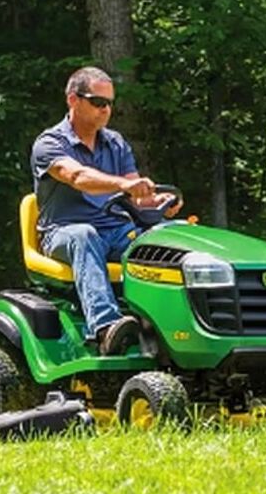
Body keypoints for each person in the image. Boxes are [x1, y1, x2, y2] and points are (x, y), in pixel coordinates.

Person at [30, 66, 182, 355]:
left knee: (171, 238)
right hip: (63, 233)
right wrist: (124, 186)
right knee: (84, 235)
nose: (106, 109)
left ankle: (173, 328)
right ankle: (106, 328)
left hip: (116, 230)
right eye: (98, 102)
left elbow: (136, 196)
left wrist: (160, 201)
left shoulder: (115, 143)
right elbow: (78, 177)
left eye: (110, 103)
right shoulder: (49, 143)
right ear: (73, 100)